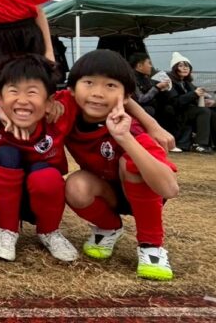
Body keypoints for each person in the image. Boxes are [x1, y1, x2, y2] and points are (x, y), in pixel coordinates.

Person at [63, 49, 179, 281]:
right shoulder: (66, 112)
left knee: (131, 162)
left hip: (143, 191)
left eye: (110, 86)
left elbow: (169, 189)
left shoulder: (131, 128)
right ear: (72, 90)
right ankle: (109, 227)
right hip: (106, 191)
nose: (97, 93)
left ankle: (151, 246)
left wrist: (126, 138)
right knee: (75, 184)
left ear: (126, 97)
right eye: (89, 83)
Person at [0, 54, 77, 262]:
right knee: (8, 154)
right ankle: (6, 230)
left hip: (39, 196)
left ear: (49, 101)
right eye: (13, 91)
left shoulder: (60, 111)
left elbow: (95, 92)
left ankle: (49, 231)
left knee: (46, 174)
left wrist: (146, 119)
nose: (22, 100)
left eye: (32, 92)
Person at [165, 52, 215, 153]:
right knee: (203, 111)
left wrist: (207, 101)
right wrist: (194, 94)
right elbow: (175, 102)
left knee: (213, 112)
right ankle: (200, 144)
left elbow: (195, 96)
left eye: (187, 66)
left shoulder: (187, 83)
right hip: (175, 112)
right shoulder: (168, 81)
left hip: (188, 111)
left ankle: (213, 143)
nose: (185, 68)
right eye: (181, 66)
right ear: (174, 68)